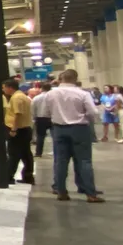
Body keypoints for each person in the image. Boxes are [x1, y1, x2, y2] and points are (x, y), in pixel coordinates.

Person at [43, 69, 103, 202]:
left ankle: (61, 192)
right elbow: (93, 112)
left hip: (59, 129)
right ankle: (90, 194)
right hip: (80, 129)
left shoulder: (50, 94)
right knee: (84, 161)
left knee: (60, 161)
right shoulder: (82, 94)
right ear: (75, 79)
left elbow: (46, 112)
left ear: (61, 79)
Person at [3, 77, 34, 185]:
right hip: (25, 129)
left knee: (13, 154)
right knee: (26, 154)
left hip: (19, 130)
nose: (3, 90)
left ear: (9, 88)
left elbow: (17, 114)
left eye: (4, 88)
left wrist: (13, 129)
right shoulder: (22, 96)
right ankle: (28, 176)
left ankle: (8, 177)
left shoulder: (16, 98)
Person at [32, 80, 54, 157]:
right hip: (52, 118)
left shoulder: (36, 98)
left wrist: (34, 118)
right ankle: (56, 151)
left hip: (40, 118)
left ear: (42, 88)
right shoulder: (53, 97)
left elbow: (33, 109)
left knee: (40, 137)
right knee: (55, 136)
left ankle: (38, 153)